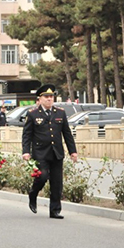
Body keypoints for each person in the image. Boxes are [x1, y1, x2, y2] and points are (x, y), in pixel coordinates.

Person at [22, 85, 78, 219]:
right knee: (42, 177)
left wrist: (73, 151)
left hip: (56, 152)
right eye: (46, 97)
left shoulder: (60, 113)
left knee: (57, 183)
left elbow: (67, 133)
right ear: (40, 99)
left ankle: (55, 210)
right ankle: (33, 194)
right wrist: (26, 151)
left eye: (51, 97)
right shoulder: (33, 114)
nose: (49, 99)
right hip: (40, 153)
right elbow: (27, 135)